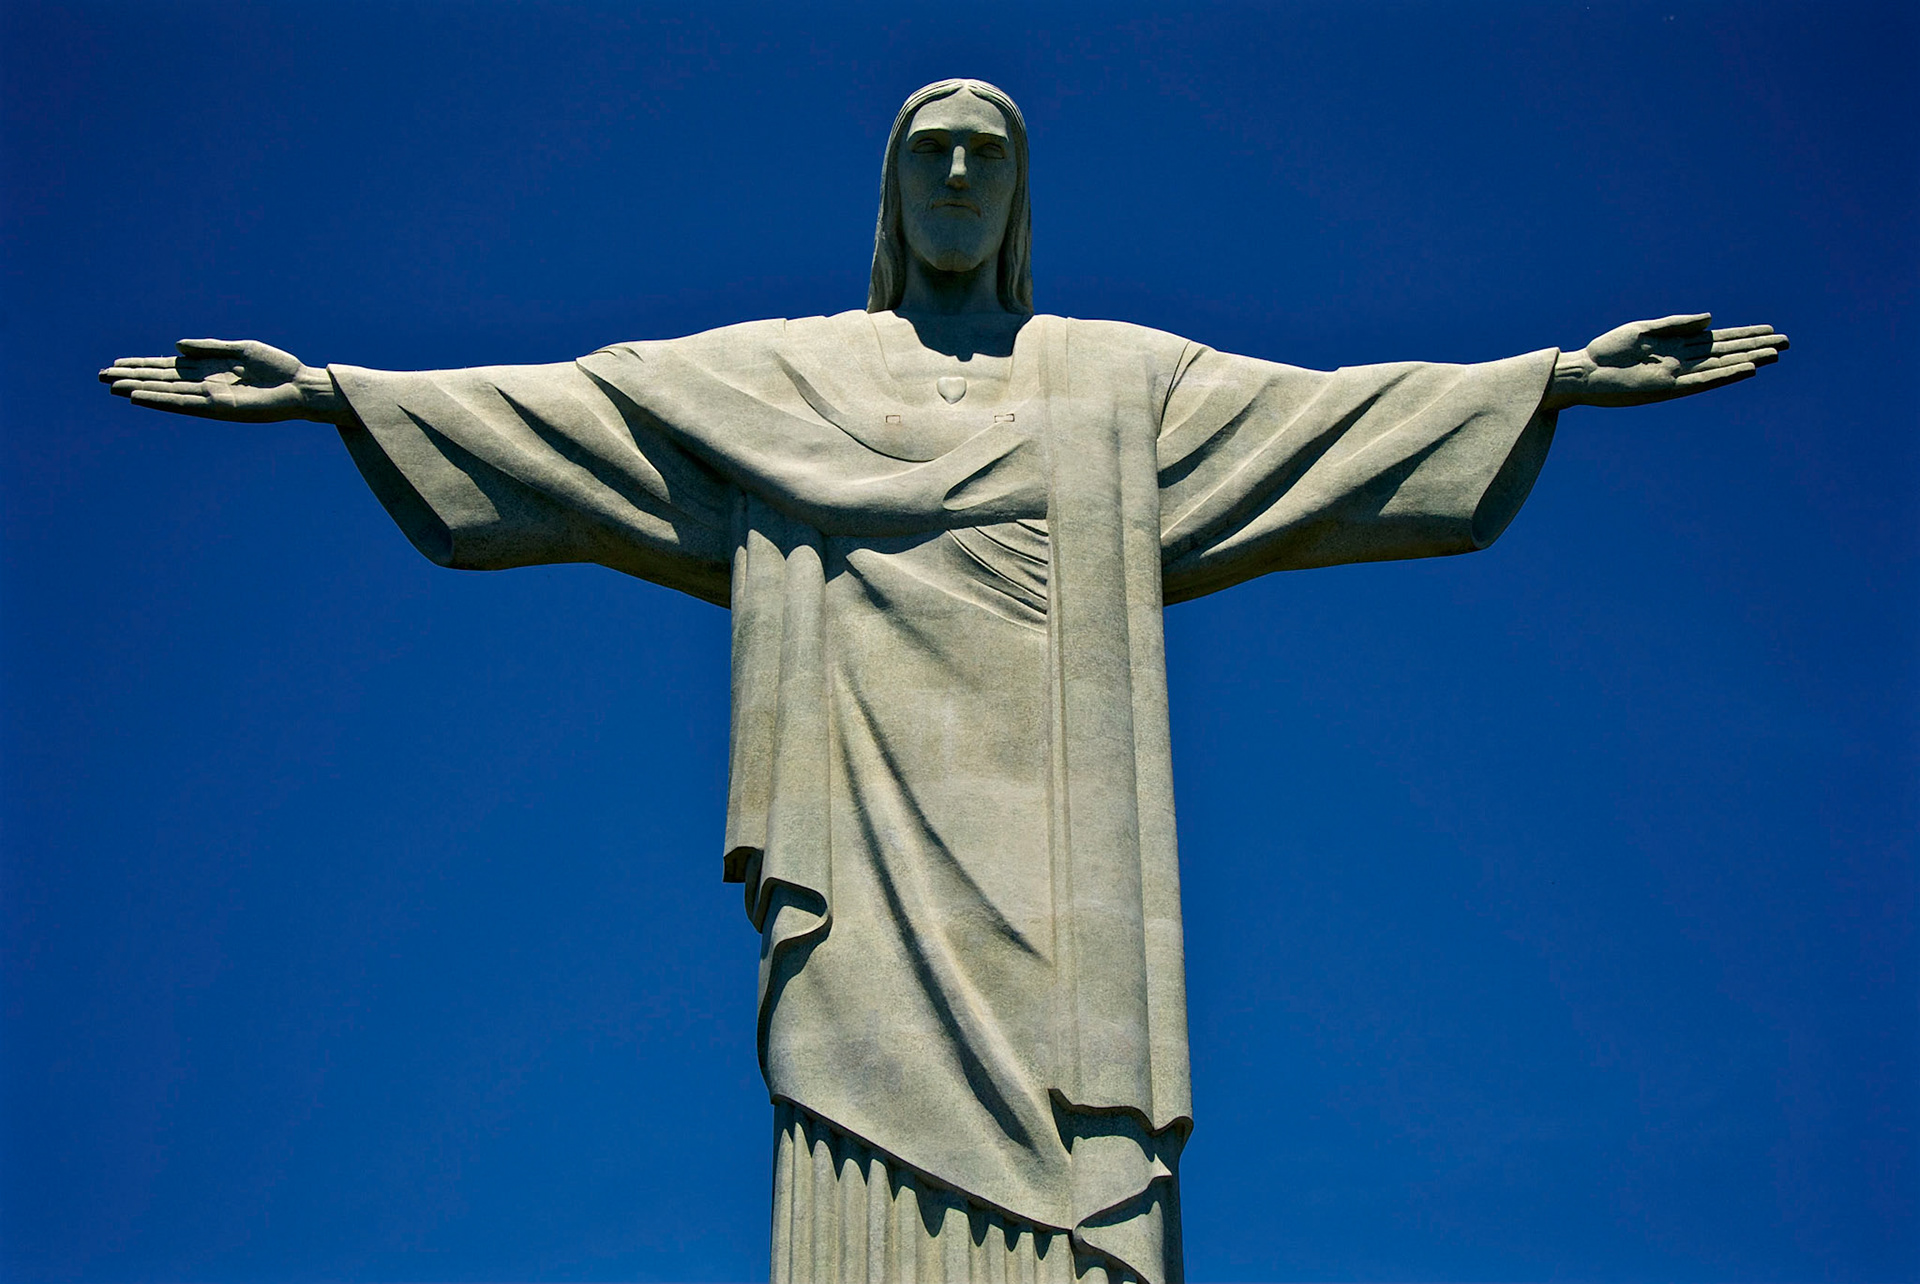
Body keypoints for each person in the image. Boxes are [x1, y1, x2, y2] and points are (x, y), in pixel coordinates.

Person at [99, 78, 1787, 1284]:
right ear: (896, 197)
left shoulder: (1110, 386)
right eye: (933, 154)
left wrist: (1549, 377)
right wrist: (336, 393)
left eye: (990, 153)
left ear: (1020, 196)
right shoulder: (787, 378)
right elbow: (579, 414)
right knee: (850, 1148)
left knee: (1082, 1168)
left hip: (1068, 879)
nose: (963, 174)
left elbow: (1327, 419)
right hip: (867, 865)